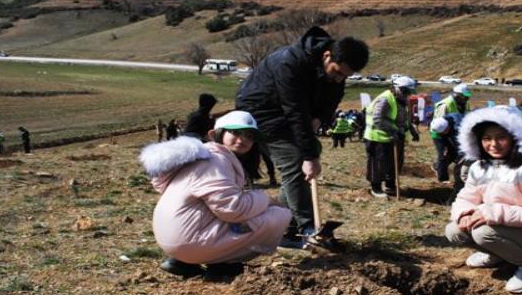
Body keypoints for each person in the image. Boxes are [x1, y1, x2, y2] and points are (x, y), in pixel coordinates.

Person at [235, 26, 369, 245]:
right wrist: (309, 156)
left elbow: (332, 99)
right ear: (327, 55)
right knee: (296, 161)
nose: (338, 78)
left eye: (344, 76)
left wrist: (320, 118)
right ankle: (306, 226)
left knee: (306, 156)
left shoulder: (337, 70)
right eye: (336, 72)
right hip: (261, 112)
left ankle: (285, 228)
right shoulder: (290, 62)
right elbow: (294, 110)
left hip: (292, 112)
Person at [139, 111, 292, 278]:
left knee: (244, 212)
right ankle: (223, 265)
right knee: (278, 215)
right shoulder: (216, 161)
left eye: (249, 136)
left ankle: (185, 261)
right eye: (235, 132)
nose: (242, 139)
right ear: (215, 134)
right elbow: (233, 209)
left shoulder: (204, 156)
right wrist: (265, 198)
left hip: (173, 238)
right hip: (188, 242)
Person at [445, 105, 522, 293]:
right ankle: (498, 254)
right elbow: (466, 197)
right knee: (454, 230)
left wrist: (492, 212)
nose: (493, 144)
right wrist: (463, 214)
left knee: (483, 232)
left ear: (515, 139)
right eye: (487, 138)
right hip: (504, 227)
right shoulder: (479, 167)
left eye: (501, 137)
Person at [364, 77, 419, 198]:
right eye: (406, 91)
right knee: (378, 164)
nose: (408, 95)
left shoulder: (401, 100)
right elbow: (378, 119)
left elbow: (404, 118)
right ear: (397, 88)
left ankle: (390, 186)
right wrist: (394, 131)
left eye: (410, 92)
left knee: (394, 163)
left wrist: (412, 130)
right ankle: (376, 188)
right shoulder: (385, 99)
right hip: (377, 137)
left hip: (393, 137)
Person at [430, 84, 472, 182]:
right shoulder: (445, 104)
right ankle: (442, 177)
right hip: (440, 133)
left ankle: (437, 166)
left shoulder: (465, 104)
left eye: (467, 96)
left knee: (454, 153)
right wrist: (446, 138)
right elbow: (438, 124)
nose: (467, 98)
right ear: (457, 95)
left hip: (453, 131)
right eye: (464, 96)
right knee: (443, 154)